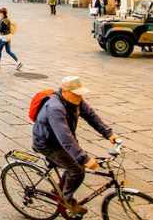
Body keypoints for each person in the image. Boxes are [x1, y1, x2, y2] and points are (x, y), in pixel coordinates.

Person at [32, 76, 120, 217]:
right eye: (76, 94)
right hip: (47, 144)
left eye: (81, 93)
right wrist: (84, 159)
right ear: (65, 91)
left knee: (73, 163)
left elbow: (91, 115)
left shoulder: (75, 100)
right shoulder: (55, 107)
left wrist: (108, 133)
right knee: (77, 170)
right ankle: (66, 201)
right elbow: (64, 136)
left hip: (60, 141)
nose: (80, 97)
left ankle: (59, 189)